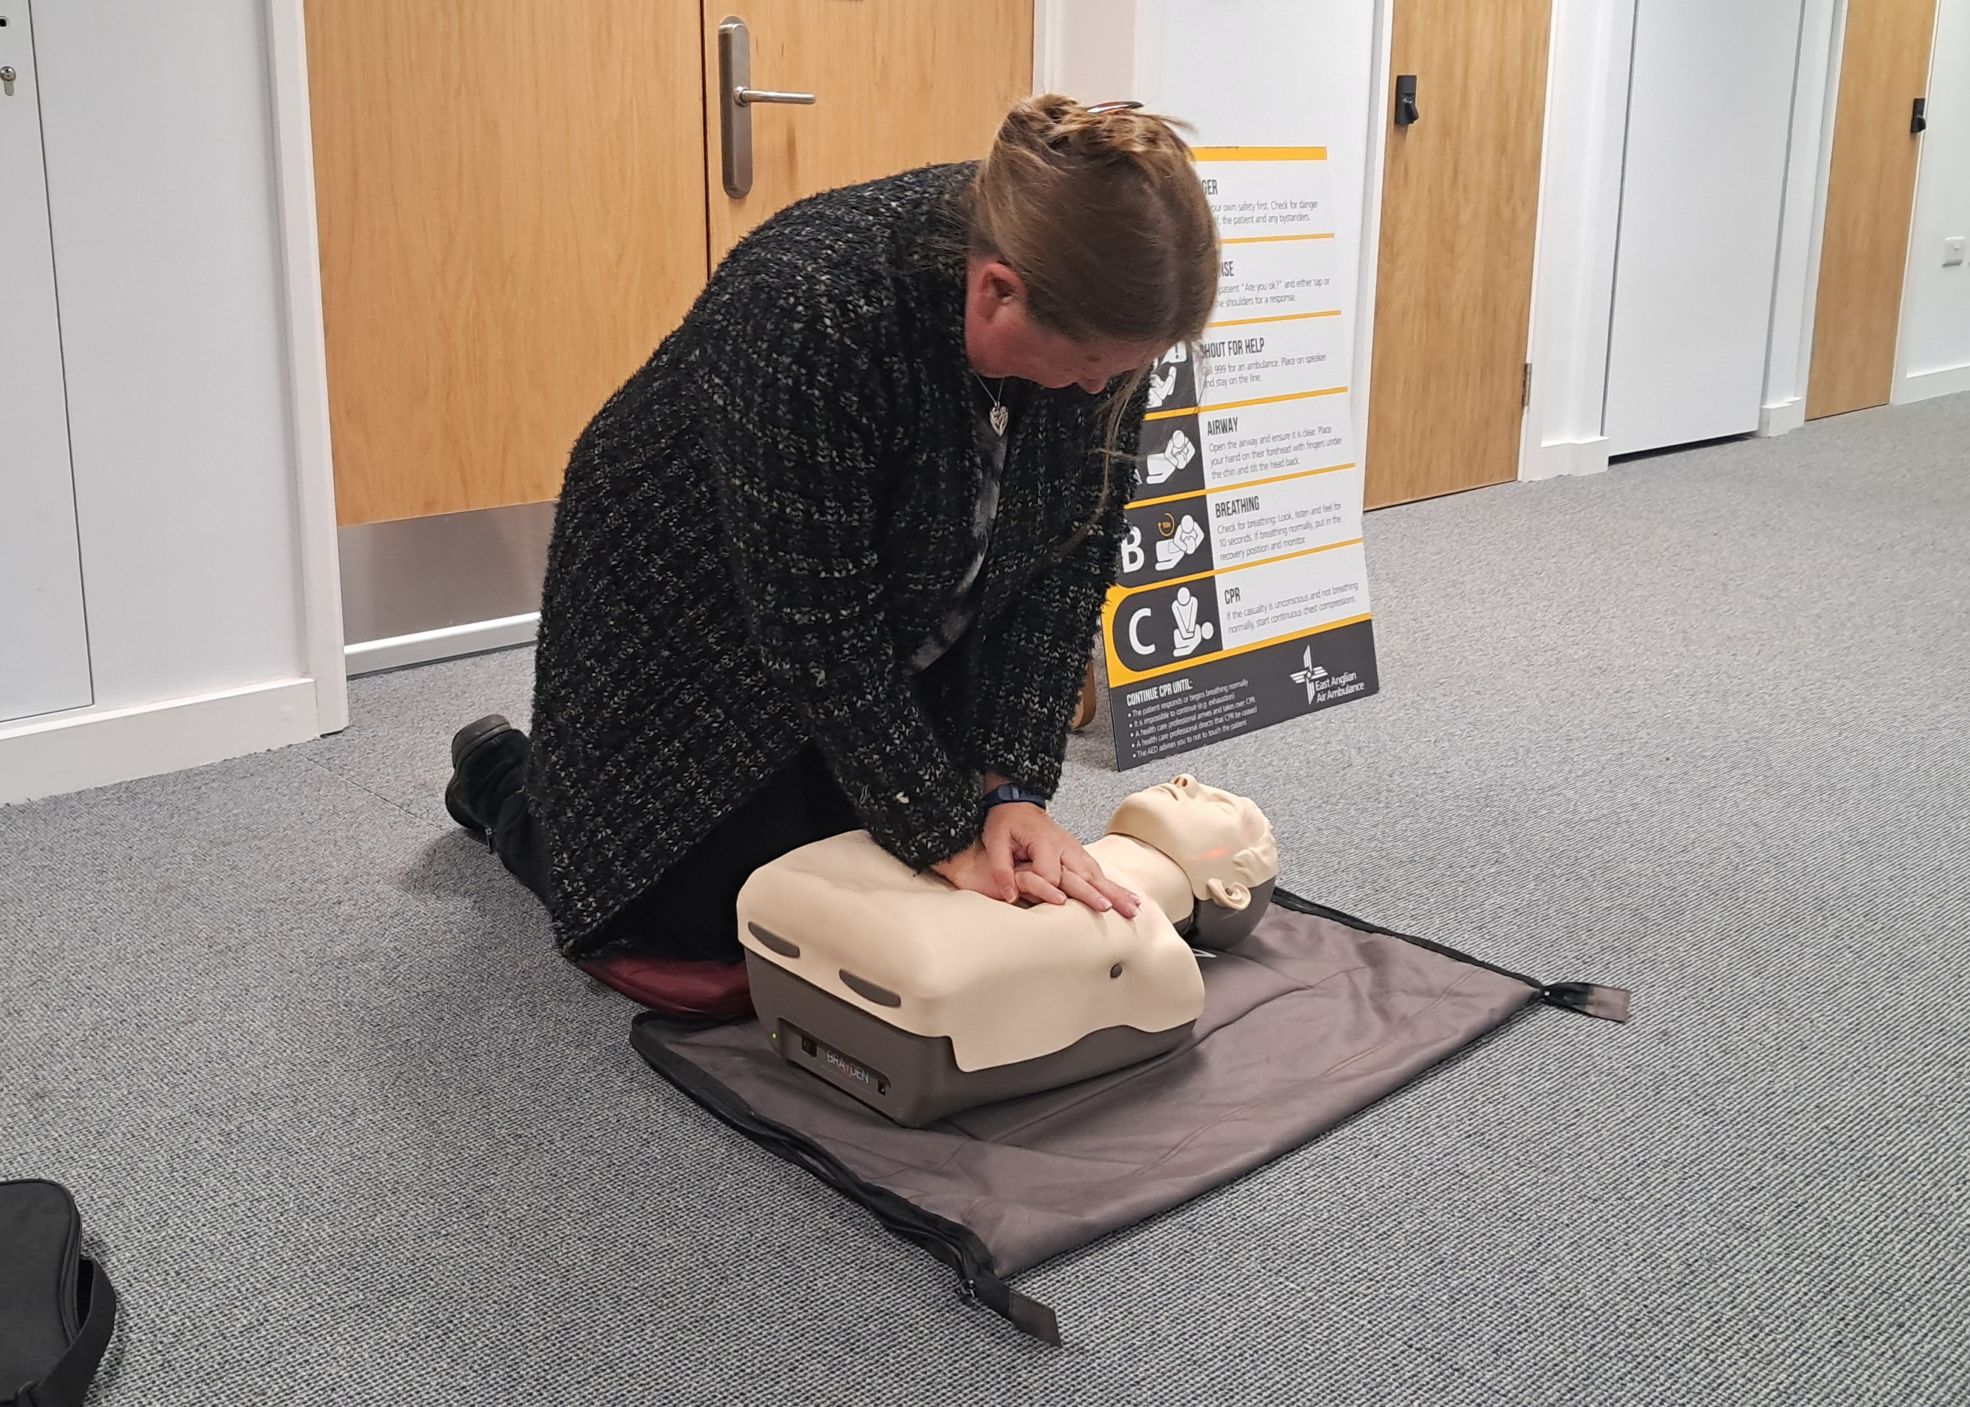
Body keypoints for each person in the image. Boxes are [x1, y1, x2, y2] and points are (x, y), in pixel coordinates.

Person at [443, 93, 1220, 967]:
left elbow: (1065, 564)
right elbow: (817, 629)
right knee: (712, 916)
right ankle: (514, 781)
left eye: (1121, 374)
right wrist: (943, 832)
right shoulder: (811, 301)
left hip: (902, 592)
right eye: (1086, 369)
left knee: (878, 874)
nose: (1096, 394)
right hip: (691, 605)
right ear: (997, 290)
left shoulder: (1104, 331)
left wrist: (1014, 788)